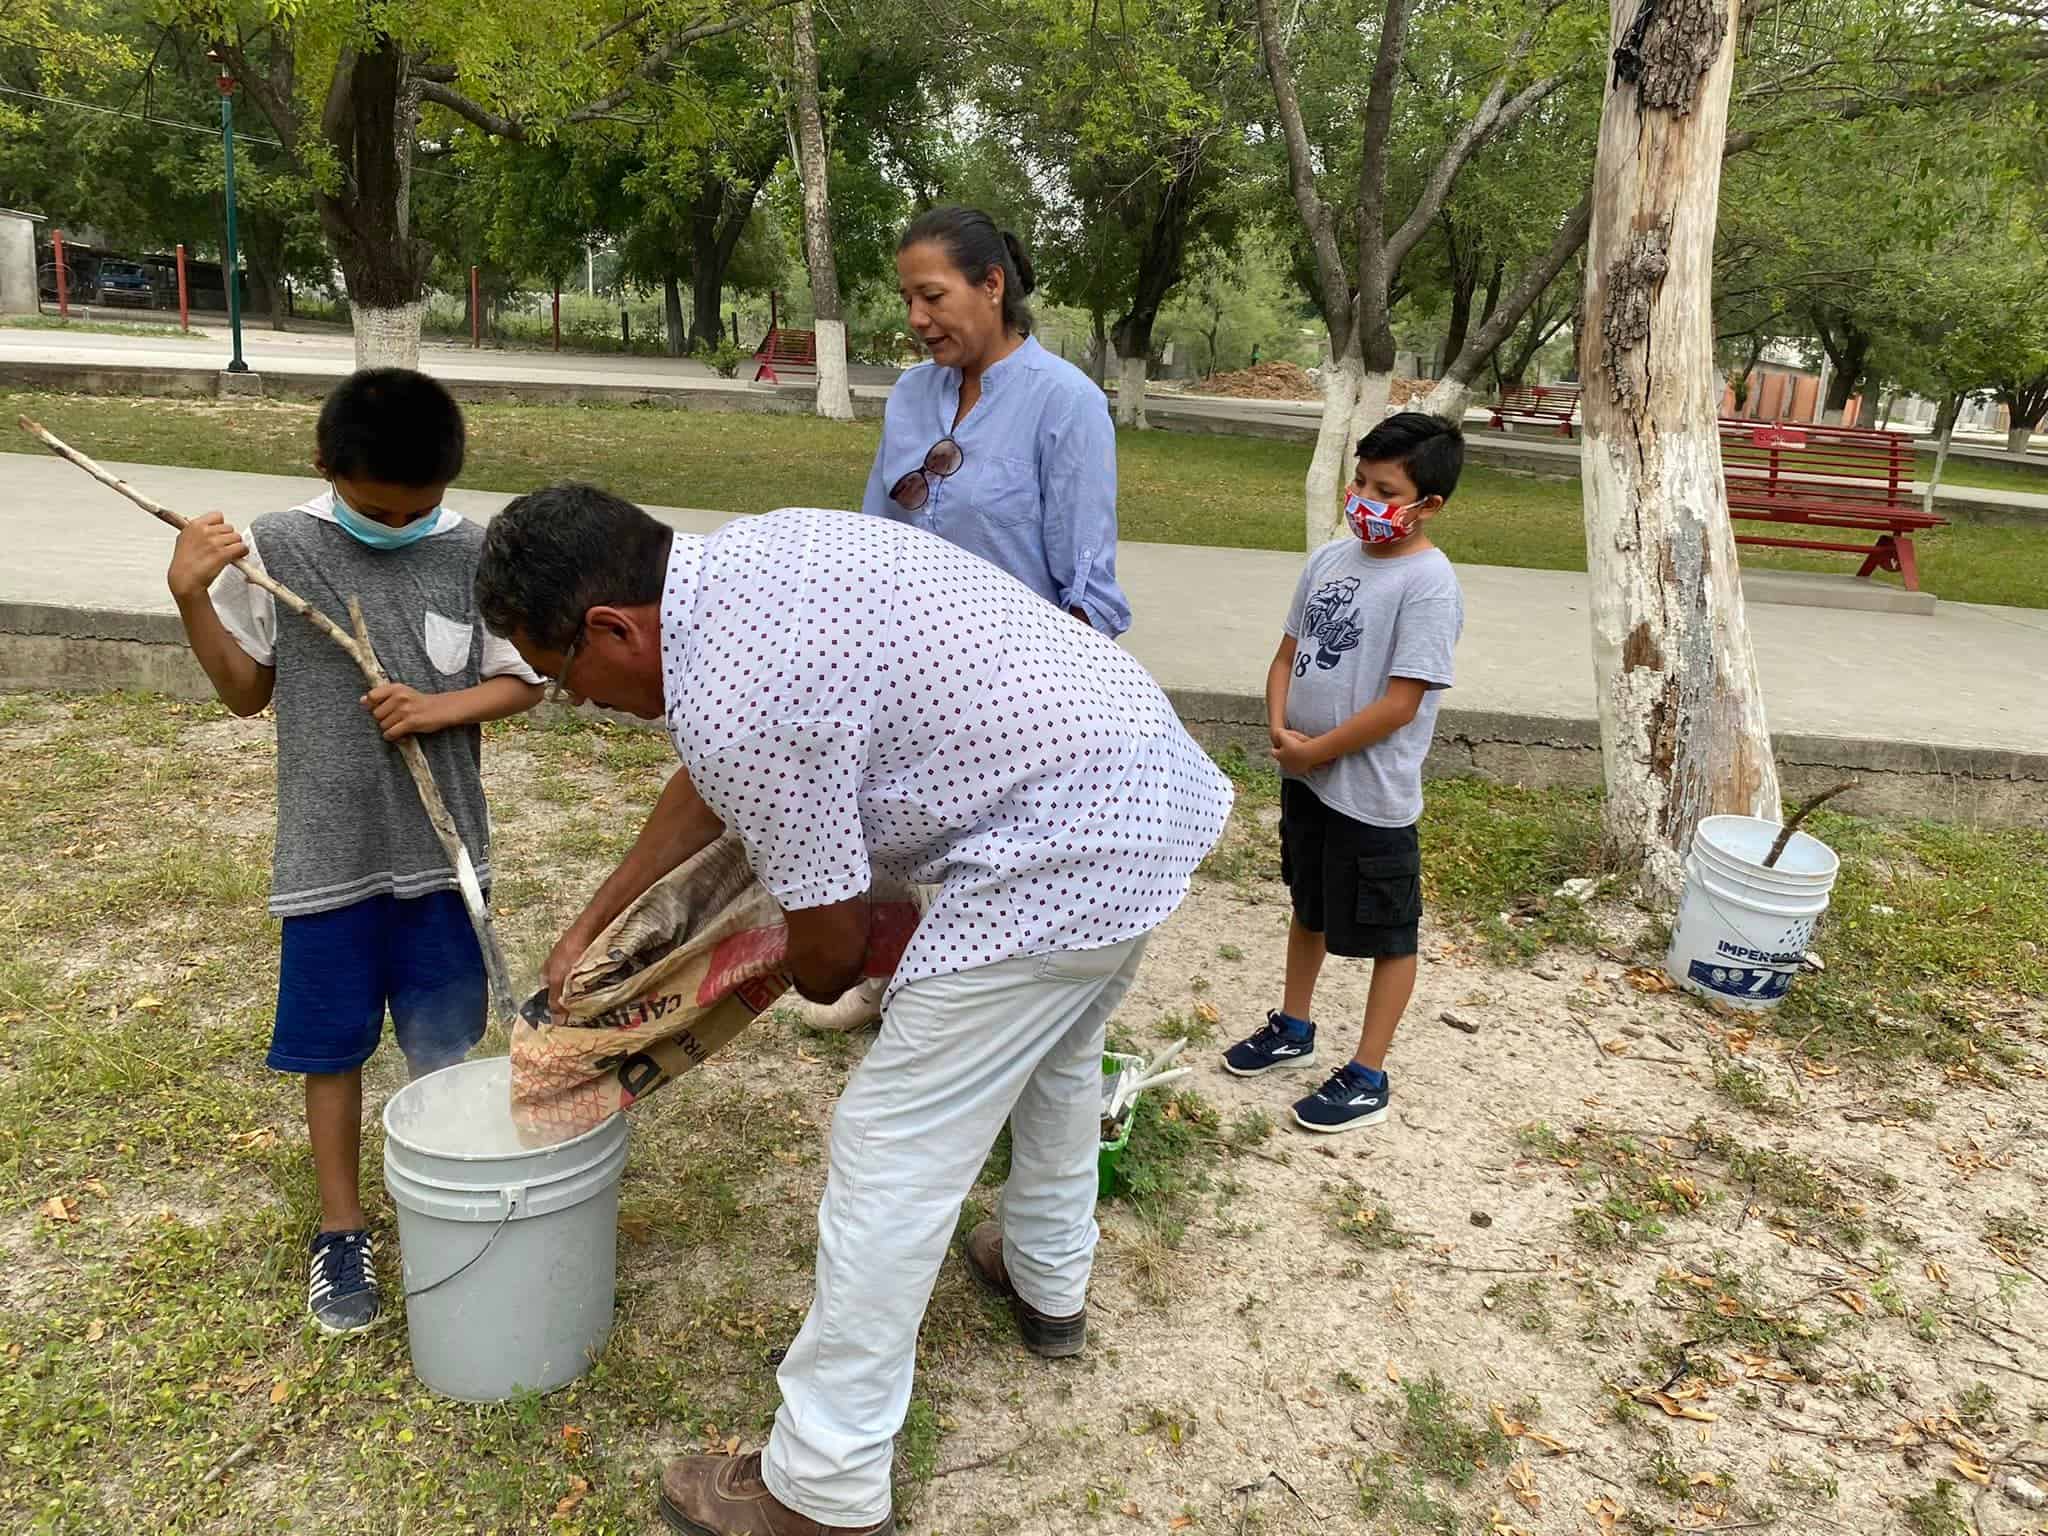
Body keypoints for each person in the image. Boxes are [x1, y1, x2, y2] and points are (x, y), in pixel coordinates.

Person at [474, 486, 1232, 1536]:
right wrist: (593, 925)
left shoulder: (740, 696)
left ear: (610, 627)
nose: (578, 700)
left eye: (563, 678)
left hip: (1053, 854)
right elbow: (711, 772)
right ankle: (1045, 1279)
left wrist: (744, 971)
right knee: (1055, 1055)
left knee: (890, 1149)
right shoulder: (745, 559)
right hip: (1141, 795)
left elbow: (824, 955)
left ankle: (821, 1488)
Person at [164, 368, 543, 1334]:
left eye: (422, 507)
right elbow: (247, 693)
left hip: (445, 861)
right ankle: (341, 1231)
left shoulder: (474, 553)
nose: (402, 521)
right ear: (323, 466)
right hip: (328, 861)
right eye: (379, 508)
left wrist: (438, 706)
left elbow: (523, 679)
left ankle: (442, 1189)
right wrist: (191, 597)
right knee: (330, 1051)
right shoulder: (280, 547)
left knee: (445, 1043)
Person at [1219, 413, 1466, 1133]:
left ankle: (1368, 1073)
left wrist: (1316, 750)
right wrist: (1279, 724)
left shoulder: (1428, 584)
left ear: (1428, 506)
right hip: (1307, 776)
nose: (1363, 498)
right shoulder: (1330, 559)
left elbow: (1399, 704)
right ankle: (1294, 1026)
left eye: (1384, 490)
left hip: (1369, 794)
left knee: (1390, 933)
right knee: (1309, 903)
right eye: (1359, 481)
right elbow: (1286, 653)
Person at [862, 204, 1131, 637]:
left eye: (932, 297)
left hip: (1011, 687)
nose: (915, 317)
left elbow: (1087, 598)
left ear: (991, 284)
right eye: (907, 299)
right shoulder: (910, 395)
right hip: (903, 674)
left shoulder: (1066, 404)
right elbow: (873, 541)